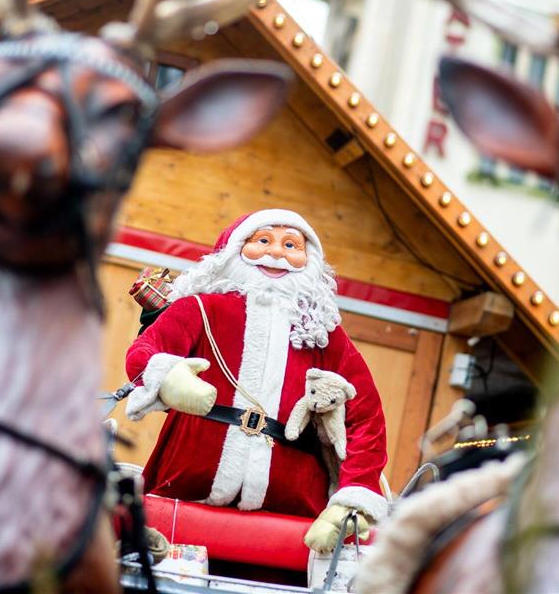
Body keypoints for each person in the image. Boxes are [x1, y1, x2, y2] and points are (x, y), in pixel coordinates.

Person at [125, 209, 388, 551]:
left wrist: (351, 499)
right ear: (236, 248)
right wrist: (169, 376)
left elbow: (366, 417)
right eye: (263, 240)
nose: (276, 253)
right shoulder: (201, 309)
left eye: (291, 245)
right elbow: (144, 352)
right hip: (184, 492)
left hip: (290, 515)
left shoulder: (323, 335)